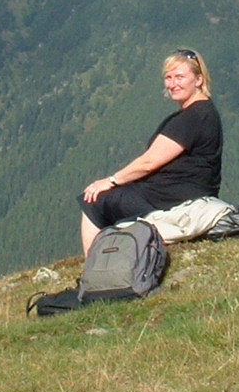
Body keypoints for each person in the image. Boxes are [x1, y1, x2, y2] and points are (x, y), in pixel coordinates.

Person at [78, 48, 223, 254]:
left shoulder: (192, 117)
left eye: (180, 77)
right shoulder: (204, 111)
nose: (172, 84)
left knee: (94, 201)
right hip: (185, 191)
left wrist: (111, 181)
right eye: (168, 78)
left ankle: (93, 265)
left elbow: (148, 163)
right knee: (116, 197)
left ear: (198, 80)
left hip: (172, 197)